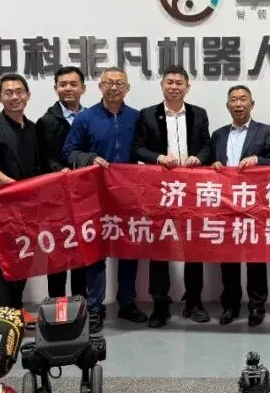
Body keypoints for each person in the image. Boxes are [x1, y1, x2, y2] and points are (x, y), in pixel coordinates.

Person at [63, 67, 145, 332]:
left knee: (129, 251)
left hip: (129, 196)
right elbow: (69, 151)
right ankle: (95, 308)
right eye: (108, 82)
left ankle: (127, 303)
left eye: (119, 83)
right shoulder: (85, 118)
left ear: (127, 88)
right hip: (95, 196)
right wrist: (89, 159)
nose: (114, 87)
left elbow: (144, 150)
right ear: (100, 87)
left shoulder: (137, 117)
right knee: (96, 253)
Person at [131, 65, 213, 328]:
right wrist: (158, 158)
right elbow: (137, 148)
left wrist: (198, 158)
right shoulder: (147, 115)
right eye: (170, 82)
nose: (174, 87)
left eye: (179, 83)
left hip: (191, 190)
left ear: (188, 87)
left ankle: (194, 302)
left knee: (194, 248)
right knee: (159, 248)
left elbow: (208, 147)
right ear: (162, 85)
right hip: (160, 191)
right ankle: (160, 305)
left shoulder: (199, 114)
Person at [0, 74, 61, 313]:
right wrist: (15, 186)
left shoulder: (32, 128)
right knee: (3, 261)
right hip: (2, 205)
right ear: (0, 97)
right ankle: (2, 314)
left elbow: (43, 165)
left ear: (28, 95)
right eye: (8, 93)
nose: (14, 97)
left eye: (19, 91)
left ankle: (16, 309)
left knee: (24, 257)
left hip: (29, 205)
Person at [210, 85, 270, 326]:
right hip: (225, 203)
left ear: (252, 104)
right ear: (227, 105)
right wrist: (214, 165)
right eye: (234, 100)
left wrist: (258, 160)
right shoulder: (218, 134)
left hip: (255, 203)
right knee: (228, 257)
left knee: (255, 257)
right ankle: (230, 305)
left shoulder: (266, 131)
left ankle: (257, 306)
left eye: (243, 99)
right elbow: (210, 162)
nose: (238, 104)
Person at [36, 66, 88, 304]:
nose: (68, 88)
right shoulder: (46, 122)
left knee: (82, 254)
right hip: (55, 198)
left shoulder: (90, 117)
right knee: (57, 255)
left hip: (85, 197)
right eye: (63, 84)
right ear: (55, 88)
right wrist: (60, 171)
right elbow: (43, 157)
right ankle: (56, 307)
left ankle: (80, 305)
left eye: (73, 84)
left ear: (83, 88)